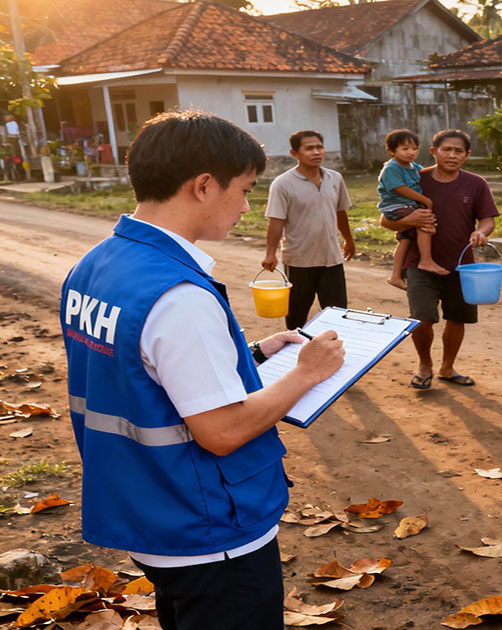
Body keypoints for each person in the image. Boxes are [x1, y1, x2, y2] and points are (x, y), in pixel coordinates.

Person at [60, 111, 346, 630]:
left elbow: (142, 372)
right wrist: (305, 372)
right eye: (244, 189)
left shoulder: (97, 264)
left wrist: (255, 353)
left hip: (146, 506)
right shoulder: (179, 297)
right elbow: (223, 430)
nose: (246, 206)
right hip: (208, 529)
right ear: (204, 185)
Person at [380, 129, 497, 390]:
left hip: (461, 263)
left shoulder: (476, 183)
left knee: (458, 317)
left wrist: (481, 231)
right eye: (446, 149)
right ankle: (424, 365)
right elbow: (386, 218)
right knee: (422, 317)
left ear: (467, 155)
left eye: (458, 151)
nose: (452, 155)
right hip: (419, 263)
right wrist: (411, 219)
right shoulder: (414, 179)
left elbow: (487, 218)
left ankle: (447, 367)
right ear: (434, 151)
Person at [262, 130, 356, 330]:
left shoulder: (335, 178)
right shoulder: (283, 184)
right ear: (294, 153)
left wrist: (348, 239)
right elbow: (276, 221)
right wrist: (270, 253)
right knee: (296, 316)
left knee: (338, 314)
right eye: (309, 148)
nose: (316, 152)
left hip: (331, 258)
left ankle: (334, 355)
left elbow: (340, 212)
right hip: (299, 260)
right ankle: (293, 355)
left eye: (319, 147)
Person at [378, 128, 446, 290]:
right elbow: (399, 188)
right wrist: (424, 200)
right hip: (395, 206)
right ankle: (426, 260)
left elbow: (426, 177)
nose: (411, 152)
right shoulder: (391, 168)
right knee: (424, 222)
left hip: (408, 205)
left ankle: (395, 276)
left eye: (414, 149)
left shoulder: (414, 166)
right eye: (405, 149)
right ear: (391, 151)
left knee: (406, 239)